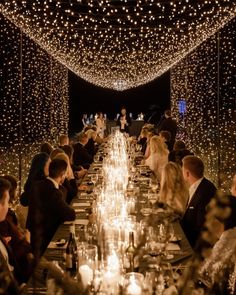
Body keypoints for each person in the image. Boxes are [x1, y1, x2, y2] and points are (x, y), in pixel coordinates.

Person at [26, 159, 76, 259]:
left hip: (33, 235)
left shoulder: (38, 185)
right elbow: (71, 215)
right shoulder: (53, 192)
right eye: (65, 174)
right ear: (62, 174)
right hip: (46, 239)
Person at [180, 155, 217, 248]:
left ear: (187, 173)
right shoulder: (199, 185)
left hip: (194, 246)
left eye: (182, 171)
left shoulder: (205, 192)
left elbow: (201, 226)